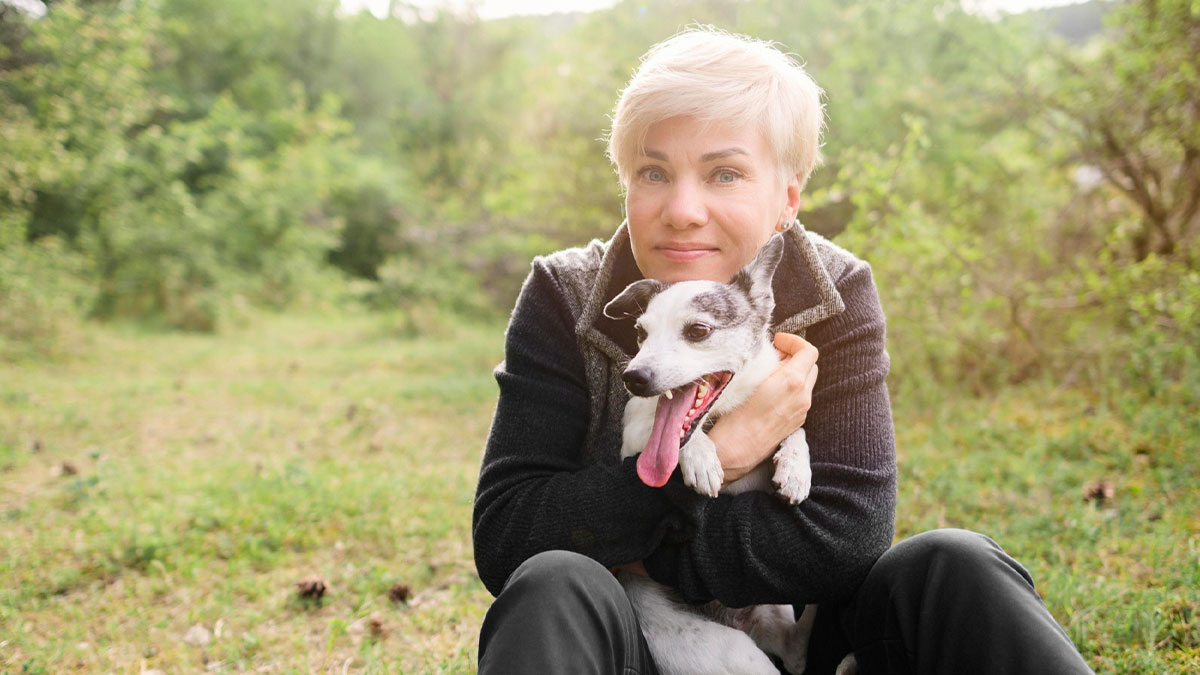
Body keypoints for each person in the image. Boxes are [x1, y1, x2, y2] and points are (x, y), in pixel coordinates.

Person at [472, 26, 1094, 675]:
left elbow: (845, 543)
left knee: (954, 563)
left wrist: (638, 546)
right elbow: (511, 539)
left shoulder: (837, 290)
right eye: (654, 171)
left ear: (788, 198)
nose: (683, 209)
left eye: (725, 173)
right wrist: (727, 451)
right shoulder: (565, 292)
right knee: (554, 583)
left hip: (804, 649)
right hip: (641, 649)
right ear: (625, 181)